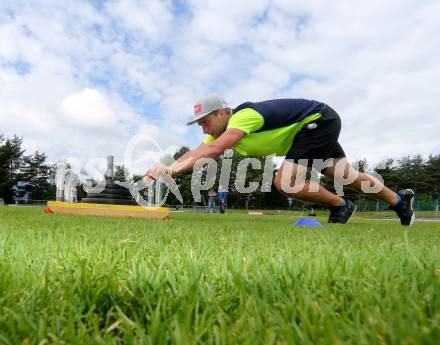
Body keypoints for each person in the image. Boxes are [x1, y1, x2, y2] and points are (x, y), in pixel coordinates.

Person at [145, 95, 415, 225]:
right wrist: (169, 168)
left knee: (285, 182)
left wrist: (170, 169)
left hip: (316, 122)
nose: (203, 128)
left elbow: (214, 151)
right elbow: (197, 154)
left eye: (206, 121)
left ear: (224, 112)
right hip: (311, 128)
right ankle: (400, 201)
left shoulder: (242, 117)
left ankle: (342, 205)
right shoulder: (219, 131)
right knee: (347, 177)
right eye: (200, 125)